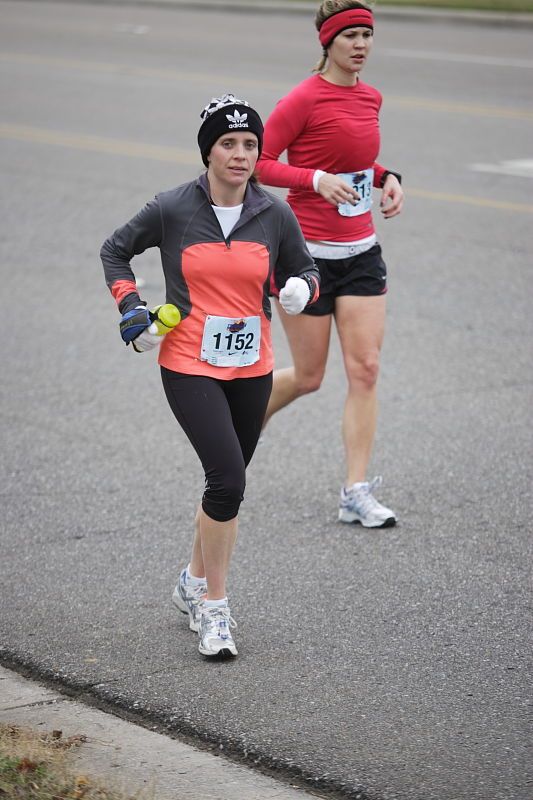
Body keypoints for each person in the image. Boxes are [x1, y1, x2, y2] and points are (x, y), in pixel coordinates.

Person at [100, 94, 319, 659]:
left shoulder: (274, 213)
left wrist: (302, 289)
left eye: (250, 145)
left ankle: (192, 582)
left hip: (253, 366)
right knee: (228, 481)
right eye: (228, 144)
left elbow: (305, 269)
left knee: (226, 483)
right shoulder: (174, 207)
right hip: (188, 362)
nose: (240, 154)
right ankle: (214, 608)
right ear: (208, 151)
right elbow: (115, 251)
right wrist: (132, 310)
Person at [256, 0, 404, 529]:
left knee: (365, 369)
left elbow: (357, 157)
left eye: (368, 35)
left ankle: (355, 491)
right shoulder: (302, 98)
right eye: (351, 36)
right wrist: (314, 180)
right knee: (311, 376)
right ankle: (245, 419)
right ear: (328, 42)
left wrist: (388, 177)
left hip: (362, 252)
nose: (361, 45)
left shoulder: (371, 97)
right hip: (305, 258)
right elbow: (260, 164)